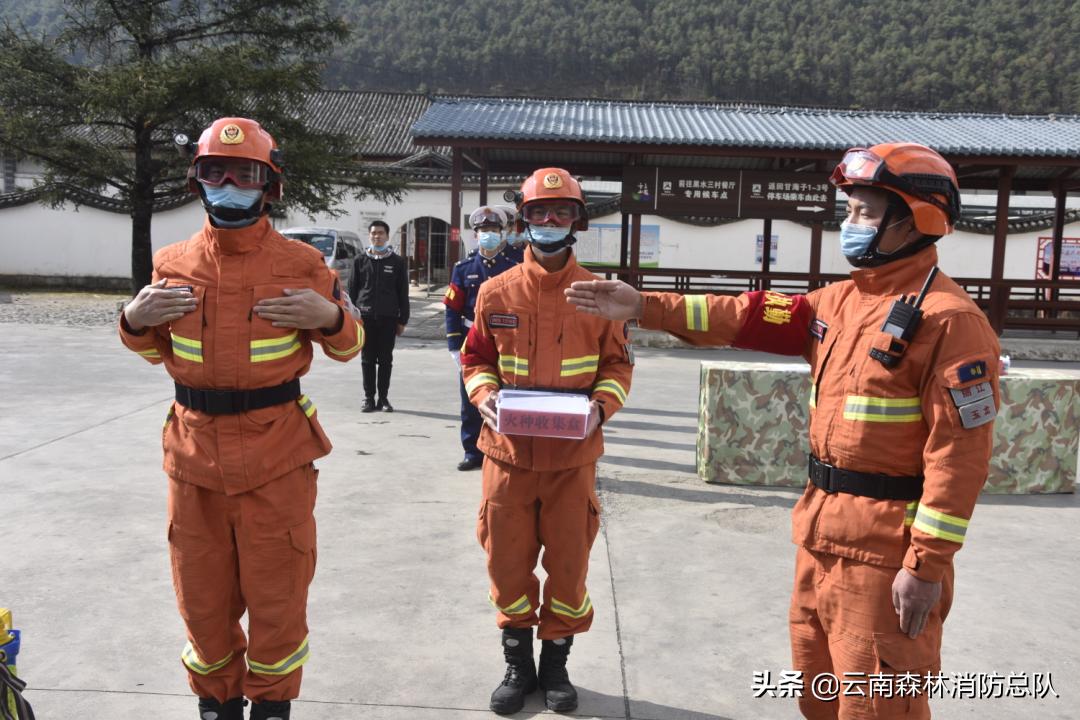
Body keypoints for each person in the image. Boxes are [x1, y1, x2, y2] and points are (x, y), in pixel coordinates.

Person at [566, 143, 1000, 720]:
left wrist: (925, 566)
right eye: (848, 210)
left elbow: (959, 459)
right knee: (816, 693)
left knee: (876, 706)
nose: (849, 223)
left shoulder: (952, 322)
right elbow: (743, 315)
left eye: (865, 212)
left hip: (884, 553)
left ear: (917, 219)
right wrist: (645, 306)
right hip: (819, 535)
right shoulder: (839, 302)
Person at [119, 117, 363, 720]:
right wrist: (133, 318)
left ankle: (273, 708)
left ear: (269, 184)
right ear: (197, 181)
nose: (230, 183)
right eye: (215, 172)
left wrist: (329, 317)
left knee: (278, 596)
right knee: (202, 598)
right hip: (193, 456)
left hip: (276, 454)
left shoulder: (305, 264)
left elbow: (349, 347)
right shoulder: (172, 262)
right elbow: (158, 351)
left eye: (245, 173)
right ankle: (215, 706)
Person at [460, 168, 634, 714]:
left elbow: (617, 365)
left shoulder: (600, 295)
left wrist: (600, 409)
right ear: (524, 220)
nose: (551, 221)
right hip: (507, 457)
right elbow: (475, 357)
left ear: (577, 221)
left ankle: (556, 666)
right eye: (539, 212)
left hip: (571, 459)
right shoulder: (495, 291)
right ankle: (519, 665)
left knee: (568, 564)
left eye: (562, 212)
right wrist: (483, 392)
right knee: (507, 563)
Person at [445, 206, 519, 471]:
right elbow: (452, 308)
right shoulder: (464, 268)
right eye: (483, 231)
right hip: (471, 340)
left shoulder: (515, 264)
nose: (488, 234)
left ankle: (501, 450)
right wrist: (455, 346)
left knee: (506, 396)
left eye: (493, 230)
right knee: (471, 399)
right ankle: (472, 452)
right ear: (475, 235)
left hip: (507, 340)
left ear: (502, 233)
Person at [348, 220, 409, 412]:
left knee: (385, 360)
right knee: (367, 359)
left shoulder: (397, 262)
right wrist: (351, 318)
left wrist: (402, 320)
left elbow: (402, 293)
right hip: (364, 318)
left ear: (387, 235)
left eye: (381, 233)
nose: (377, 236)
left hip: (388, 318)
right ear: (369, 235)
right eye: (374, 233)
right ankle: (368, 398)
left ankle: (383, 398)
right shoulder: (359, 260)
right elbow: (351, 291)